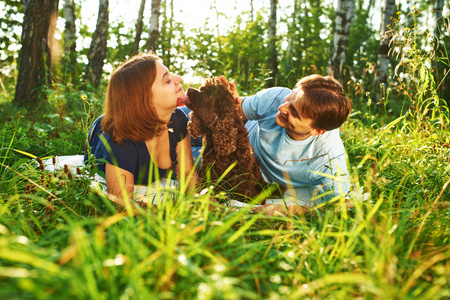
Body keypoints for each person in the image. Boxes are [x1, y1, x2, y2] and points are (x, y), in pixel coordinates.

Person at [221, 74, 353, 214]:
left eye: (294, 112)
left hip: (251, 175)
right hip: (238, 136)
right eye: (289, 98)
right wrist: (232, 104)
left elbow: (345, 203)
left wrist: (292, 210)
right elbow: (240, 108)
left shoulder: (329, 156)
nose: (282, 108)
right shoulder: (274, 98)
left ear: (317, 131)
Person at [84, 53, 197, 205]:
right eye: (167, 80)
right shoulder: (120, 141)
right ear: (147, 99)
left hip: (148, 117)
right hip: (104, 131)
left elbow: (188, 174)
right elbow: (122, 204)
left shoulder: (177, 119)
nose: (178, 78)